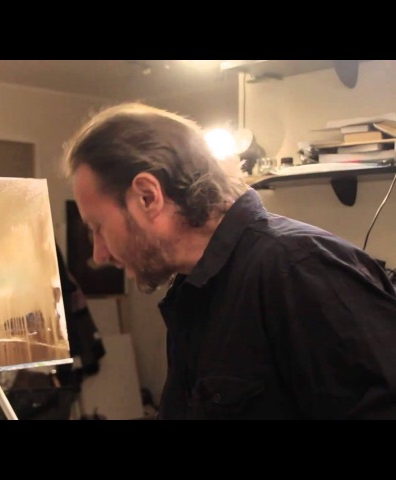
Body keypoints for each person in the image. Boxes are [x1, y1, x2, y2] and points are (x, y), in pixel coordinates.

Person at [61, 101, 396, 420]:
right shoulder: (193, 291)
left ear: (147, 196)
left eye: (98, 228)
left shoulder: (302, 270)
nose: (99, 254)